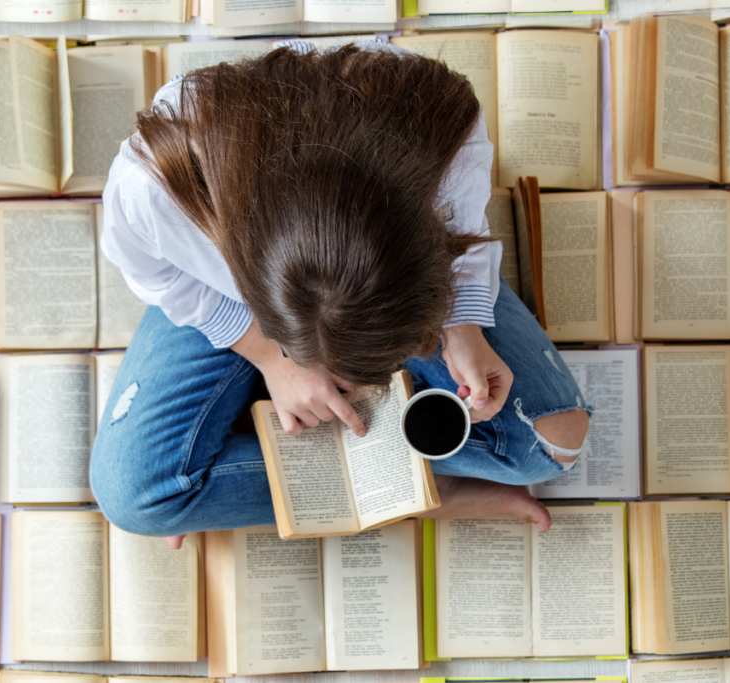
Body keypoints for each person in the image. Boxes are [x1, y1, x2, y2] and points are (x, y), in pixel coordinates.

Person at [91, 40, 591, 549]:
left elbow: (461, 227)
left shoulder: (438, 126)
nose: (348, 383)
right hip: (228, 307)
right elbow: (157, 275)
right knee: (138, 497)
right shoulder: (152, 184)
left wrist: (461, 323)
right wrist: (271, 358)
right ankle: (417, 487)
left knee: (548, 446)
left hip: (382, 273)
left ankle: (399, 484)